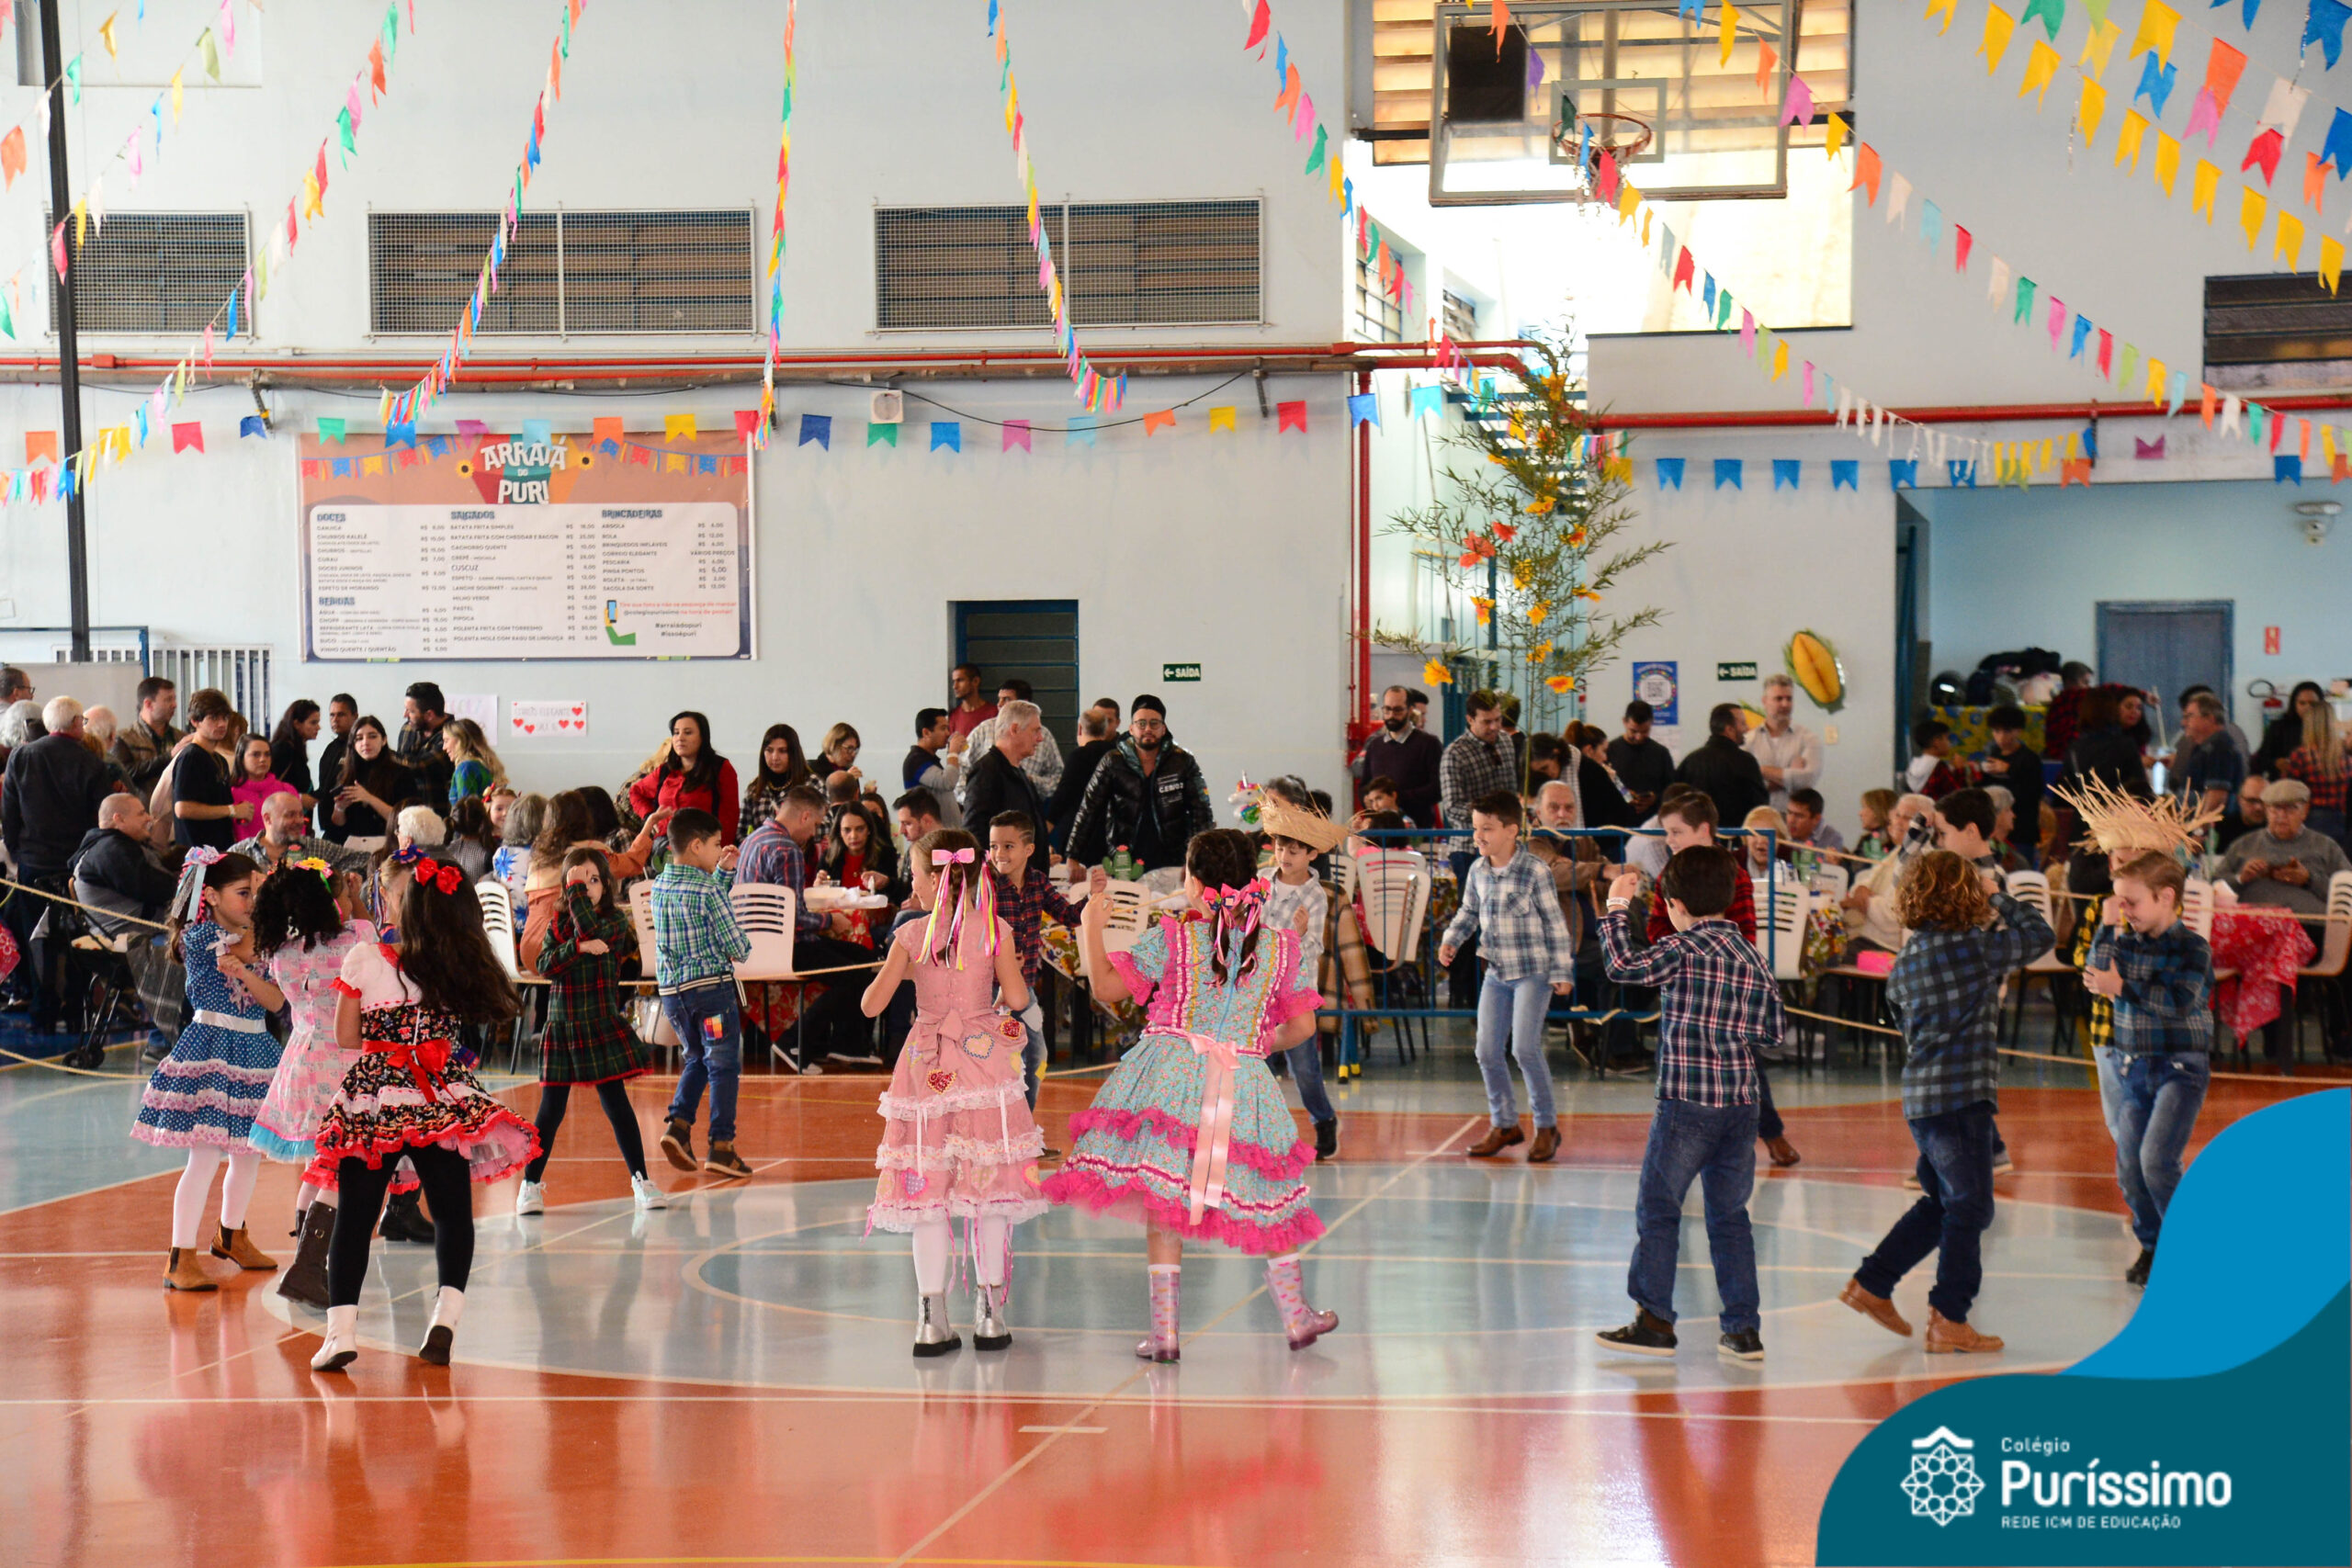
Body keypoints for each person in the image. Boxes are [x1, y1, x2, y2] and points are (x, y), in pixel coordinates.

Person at [1043, 829, 1337, 1360]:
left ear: (1195, 884)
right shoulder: (1278, 948)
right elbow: (1302, 1027)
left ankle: (1166, 1333)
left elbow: (1106, 987)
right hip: (1243, 1083)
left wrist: (1092, 927)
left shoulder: (1176, 938)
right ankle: (1296, 1316)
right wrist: (1250, 1045)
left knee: (1165, 1198)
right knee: (1269, 1194)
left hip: (1170, 1078)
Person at [303, 860, 539, 1371]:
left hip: (375, 1098)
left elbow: (347, 1037)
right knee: (453, 1213)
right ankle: (445, 1320)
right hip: (439, 1096)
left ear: (403, 905)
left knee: (356, 1217)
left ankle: (340, 1333)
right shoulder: (454, 961)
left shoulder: (365, 958)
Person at [1840, 850, 2051, 1354]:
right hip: (1962, 1098)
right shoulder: (1975, 949)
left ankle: (1872, 1283)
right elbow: (2040, 935)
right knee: (1970, 1207)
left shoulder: (1906, 961)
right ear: (1967, 896)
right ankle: (1949, 1317)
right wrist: (1998, 896)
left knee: (1941, 1202)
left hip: (1922, 1099)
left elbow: (1903, 1023)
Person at [859, 828, 1048, 1355]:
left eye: (916, 875)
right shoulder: (995, 929)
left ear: (934, 880)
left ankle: (931, 1319)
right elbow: (1016, 996)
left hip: (926, 1064)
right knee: (990, 1190)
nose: (911, 884)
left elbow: (871, 1006)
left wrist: (902, 972)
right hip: (984, 1065)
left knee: (927, 1190)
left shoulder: (910, 934)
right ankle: (990, 1314)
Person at [1594, 845, 1780, 1362]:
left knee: (1659, 1207)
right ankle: (1743, 1330)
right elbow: (1772, 1031)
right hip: (1741, 1103)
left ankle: (1655, 1321)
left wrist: (1616, 907)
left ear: (1674, 905)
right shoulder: (1751, 956)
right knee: (1730, 1217)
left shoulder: (1681, 949)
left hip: (1686, 1102)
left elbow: (1622, 966)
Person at [131, 850, 287, 1291]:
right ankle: (180, 1255)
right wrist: (276, 904)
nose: (252, 902)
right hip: (213, 1048)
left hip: (256, 1047)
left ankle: (232, 1234)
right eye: (243, 893)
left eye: (255, 893)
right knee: (203, 1158)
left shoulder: (256, 934)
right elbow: (249, 947)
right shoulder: (200, 935)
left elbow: (276, 1000)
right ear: (212, 896)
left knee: (248, 1153)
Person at [249, 859, 375, 1309]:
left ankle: (310, 1261)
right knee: (344, 1167)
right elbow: (376, 945)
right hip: (343, 1062)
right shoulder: (355, 939)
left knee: (320, 1165)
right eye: (342, 894)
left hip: (301, 1063)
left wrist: (346, 897)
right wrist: (358, 900)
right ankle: (308, 1267)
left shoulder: (281, 952)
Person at [2085, 850, 2213, 1287]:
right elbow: (2095, 974)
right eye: (2120, 901)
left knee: (2156, 1160)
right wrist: (2107, 927)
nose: (2126, 910)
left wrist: (2121, 986)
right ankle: (2154, 1244)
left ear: (2166, 897)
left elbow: (2179, 1002)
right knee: (2130, 1168)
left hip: (2181, 1068)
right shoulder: (2125, 944)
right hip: (2134, 1067)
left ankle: (2187, 1246)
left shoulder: (2193, 948)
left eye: (2132, 902)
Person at [517, 847, 665, 1217]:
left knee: (617, 1106)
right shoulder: (558, 926)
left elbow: (593, 930)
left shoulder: (614, 922)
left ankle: (641, 1180)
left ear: (607, 885)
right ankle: (529, 1185)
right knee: (550, 1111)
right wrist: (579, 947)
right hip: (564, 1028)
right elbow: (545, 965)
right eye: (578, 882)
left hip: (599, 1024)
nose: (587, 888)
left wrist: (580, 915)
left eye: (593, 880)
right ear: (566, 889)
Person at [1440, 791, 1576, 1162]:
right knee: (1486, 1050)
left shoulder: (1535, 871)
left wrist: (1562, 970)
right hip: (1496, 972)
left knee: (1525, 1049)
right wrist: (1452, 939)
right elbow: (1468, 911)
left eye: (1487, 829)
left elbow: (1555, 924)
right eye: (1475, 829)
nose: (1478, 836)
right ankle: (1505, 1124)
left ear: (1512, 831)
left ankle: (1546, 1126)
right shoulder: (1477, 871)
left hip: (1533, 971)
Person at [650, 809, 757, 1179]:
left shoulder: (660, 885)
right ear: (696, 845)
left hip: (674, 998)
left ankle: (679, 1126)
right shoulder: (708, 890)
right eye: (714, 845)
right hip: (711, 996)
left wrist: (723, 872)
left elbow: (699, 903)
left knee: (697, 1056)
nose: (718, 850)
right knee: (723, 1064)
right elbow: (737, 947)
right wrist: (743, 944)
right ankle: (721, 1145)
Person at [733, 784, 867, 1071]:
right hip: (781, 946)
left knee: (861, 958)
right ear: (805, 817)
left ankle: (846, 1047)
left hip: (750, 944)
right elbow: (792, 919)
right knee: (855, 972)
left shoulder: (751, 840)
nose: (814, 833)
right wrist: (830, 921)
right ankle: (795, 1041)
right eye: (816, 824)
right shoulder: (787, 849)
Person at [2, 695, 117, 1029]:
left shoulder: (21, 756)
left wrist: (17, 852)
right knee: (77, 938)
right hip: (75, 866)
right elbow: (100, 819)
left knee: (37, 939)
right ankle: (76, 1009)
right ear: (77, 723)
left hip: (33, 864)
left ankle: (43, 1010)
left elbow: (10, 811)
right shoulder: (92, 763)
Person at [1256, 793, 1349, 1161]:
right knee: (1258, 1061)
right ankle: (1259, 1130)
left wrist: (1300, 934)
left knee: (1305, 1067)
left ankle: (1323, 1119)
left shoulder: (1315, 896)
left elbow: (1315, 949)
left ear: (1312, 854)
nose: (1285, 855)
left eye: (1295, 850)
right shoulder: (1262, 881)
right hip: (1259, 988)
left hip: (1294, 992)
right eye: (1281, 848)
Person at [983, 810, 1082, 1112]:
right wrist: (997, 955)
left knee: (1036, 1055)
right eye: (994, 846)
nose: (999, 853)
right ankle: (990, 1125)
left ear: (1028, 850)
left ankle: (1022, 1121)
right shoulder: (985, 885)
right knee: (990, 1059)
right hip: (987, 992)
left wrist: (1094, 901)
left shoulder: (1038, 881)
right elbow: (970, 932)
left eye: (1008, 846)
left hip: (1024, 991)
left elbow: (1069, 915)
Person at [1063, 695, 1216, 876]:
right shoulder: (1112, 762)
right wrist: (1072, 856)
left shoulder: (1183, 762)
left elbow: (1202, 812)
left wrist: (1196, 860)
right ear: (1131, 728)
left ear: (1163, 728)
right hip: (1124, 860)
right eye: (1141, 723)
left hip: (1173, 861)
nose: (1148, 729)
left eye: (1154, 723)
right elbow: (1089, 809)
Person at [516, 788, 664, 969]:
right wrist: (650, 823)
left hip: (531, 953)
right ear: (585, 818)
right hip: (564, 953)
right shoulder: (591, 853)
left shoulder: (538, 858)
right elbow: (632, 862)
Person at [962, 699, 1053, 874]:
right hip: (1003, 883)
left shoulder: (1017, 771)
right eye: (1035, 731)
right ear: (1015, 729)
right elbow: (974, 833)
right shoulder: (987, 771)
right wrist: (996, 877)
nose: (1040, 738)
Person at [628, 710, 741, 845]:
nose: (680, 738)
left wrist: (719, 851)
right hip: (664, 845)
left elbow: (730, 817)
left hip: (703, 846)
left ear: (703, 737)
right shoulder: (665, 770)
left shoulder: (720, 768)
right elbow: (635, 792)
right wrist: (650, 817)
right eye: (676, 733)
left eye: (688, 733)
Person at [1351, 684, 1444, 828]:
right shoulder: (1375, 745)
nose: (1391, 715)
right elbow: (1364, 785)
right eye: (1387, 710)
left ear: (1410, 710)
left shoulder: (1429, 744)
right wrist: (1370, 800)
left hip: (1417, 829)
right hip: (1381, 829)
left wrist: (1396, 798)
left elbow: (1438, 788)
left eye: (1398, 710)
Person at [166, 689, 248, 852]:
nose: (222, 724)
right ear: (195, 721)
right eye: (214, 718)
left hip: (219, 850)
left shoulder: (220, 760)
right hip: (198, 854)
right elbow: (182, 808)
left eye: (225, 718)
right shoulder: (191, 757)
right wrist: (232, 810)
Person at [960, 678, 1066, 801]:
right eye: (999, 699)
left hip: (1029, 804)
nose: (999, 704)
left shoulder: (1043, 735)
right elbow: (961, 766)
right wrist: (968, 799)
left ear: (1023, 704)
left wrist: (1030, 781)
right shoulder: (984, 730)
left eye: (1006, 699)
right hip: (989, 804)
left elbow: (1058, 777)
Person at [232, 788, 371, 878]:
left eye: (300, 814)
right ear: (268, 819)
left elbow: (366, 860)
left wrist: (340, 881)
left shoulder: (316, 848)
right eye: (290, 815)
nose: (299, 821)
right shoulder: (241, 852)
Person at [324, 716, 416, 850]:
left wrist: (369, 798)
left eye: (372, 736)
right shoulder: (345, 776)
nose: (365, 742)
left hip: (389, 846)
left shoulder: (401, 774)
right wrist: (340, 808)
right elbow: (337, 830)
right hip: (352, 846)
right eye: (359, 738)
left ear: (383, 740)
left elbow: (406, 820)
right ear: (353, 744)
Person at [1438, 691, 1520, 832]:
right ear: (1470, 720)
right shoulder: (1455, 753)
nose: (1494, 727)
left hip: (1505, 836)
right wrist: (1490, 813)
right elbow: (1452, 808)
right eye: (1487, 722)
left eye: (1498, 719)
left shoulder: (1506, 741)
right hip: (1471, 839)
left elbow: (1512, 789)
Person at [1676, 705, 1770, 826]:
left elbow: (1675, 802)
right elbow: (1760, 809)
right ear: (1729, 729)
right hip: (1736, 835)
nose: (1747, 729)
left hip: (1697, 833)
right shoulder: (1745, 762)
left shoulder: (1690, 761)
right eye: (1743, 724)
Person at [1974, 704, 2045, 865]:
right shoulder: (1992, 756)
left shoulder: (2029, 759)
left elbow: (2034, 793)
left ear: (2018, 731)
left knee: (2019, 870)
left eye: (2006, 731)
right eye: (1996, 731)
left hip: (2021, 831)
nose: (2001, 737)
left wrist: (2009, 770)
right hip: (1993, 831)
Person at [1744, 674, 1822, 814]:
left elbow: (1807, 780)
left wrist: (1761, 770)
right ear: (1765, 701)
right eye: (1778, 699)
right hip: (1759, 819)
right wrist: (1791, 776)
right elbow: (1745, 786)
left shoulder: (1808, 739)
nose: (1785, 704)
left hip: (1795, 820)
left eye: (1789, 699)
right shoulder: (1748, 741)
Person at [1048, 708, 1117, 852]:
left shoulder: (1079, 756)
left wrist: (1045, 828)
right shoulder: (1117, 755)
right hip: (1111, 833)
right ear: (1105, 730)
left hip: (1078, 835)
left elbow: (1063, 796)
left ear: (1080, 728)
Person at [2274, 696, 2349, 826]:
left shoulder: (2301, 755)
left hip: (2311, 817)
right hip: (2342, 817)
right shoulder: (2345, 754)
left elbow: (2287, 791)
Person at [2171, 692, 2245, 819]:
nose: (2184, 723)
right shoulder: (2205, 747)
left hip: (2209, 828)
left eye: (2189, 716)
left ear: (2210, 718)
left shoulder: (2219, 747)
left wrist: (2200, 827)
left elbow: (2217, 796)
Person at [1607, 700, 1677, 819]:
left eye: (1644, 732)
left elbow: (1672, 789)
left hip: (1653, 821)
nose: (1638, 737)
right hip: (1618, 821)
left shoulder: (1661, 753)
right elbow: (1602, 788)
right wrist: (1624, 794)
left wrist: (1655, 798)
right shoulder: (1609, 751)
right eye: (1633, 731)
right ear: (1624, 722)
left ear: (1651, 723)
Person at [112, 675, 183, 793]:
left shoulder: (181, 737)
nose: (174, 704)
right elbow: (125, 774)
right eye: (168, 700)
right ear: (148, 704)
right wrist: (169, 756)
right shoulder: (123, 739)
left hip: (175, 803)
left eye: (174, 699)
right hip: (141, 803)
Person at [741, 723, 814, 831]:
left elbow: (824, 827)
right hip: (761, 842)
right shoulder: (755, 788)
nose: (775, 757)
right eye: (769, 750)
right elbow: (742, 831)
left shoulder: (811, 784)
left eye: (782, 751)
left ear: (794, 753)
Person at [901, 707, 965, 829]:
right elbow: (947, 782)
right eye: (943, 728)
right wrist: (953, 753)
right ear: (926, 733)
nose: (948, 734)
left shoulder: (929, 759)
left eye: (948, 728)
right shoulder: (916, 760)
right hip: (931, 835)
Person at [2251, 681, 2328, 777]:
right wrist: (2276, 763)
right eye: (2302, 703)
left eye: (2312, 704)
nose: (2307, 707)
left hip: (2319, 781)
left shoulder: (2327, 729)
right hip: (2284, 782)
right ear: (2294, 704)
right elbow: (2261, 759)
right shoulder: (2279, 727)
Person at [396, 682, 456, 807]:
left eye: (411, 711)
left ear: (429, 715)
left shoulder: (453, 735)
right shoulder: (408, 728)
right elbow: (400, 769)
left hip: (436, 810)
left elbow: (420, 765)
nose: (405, 715)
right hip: (406, 809)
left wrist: (383, 750)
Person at [1568, 722, 1636, 830]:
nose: (1605, 758)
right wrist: (1612, 783)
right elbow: (1626, 807)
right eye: (1604, 751)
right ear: (1589, 751)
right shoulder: (1598, 778)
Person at [230, 734, 300, 830]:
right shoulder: (230, 793)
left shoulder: (286, 790)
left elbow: (299, 828)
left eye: (267, 754)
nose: (263, 759)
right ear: (241, 758)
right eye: (256, 755)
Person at [312, 694, 357, 837]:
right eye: (332, 715)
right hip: (329, 827)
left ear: (355, 716)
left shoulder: (360, 748)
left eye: (341, 714)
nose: (335, 719)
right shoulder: (331, 749)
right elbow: (325, 787)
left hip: (352, 829)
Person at [269, 700, 323, 813]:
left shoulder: (295, 749)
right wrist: (299, 797)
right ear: (297, 724)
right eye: (313, 723)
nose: (318, 727)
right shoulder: (283, 749)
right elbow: (268, 786)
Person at [440, 716, 505, 807]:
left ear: (461, 740)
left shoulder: (466, 768)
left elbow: (466, 810)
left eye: (446, 741)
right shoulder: (485, 765)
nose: (444, 747)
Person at [1903, 719, 1971, 801]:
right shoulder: (1938, 767)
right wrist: (1960, 770)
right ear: (1936, 742)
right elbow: (1958, 796)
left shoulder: (1914, 765)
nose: (1949, 743)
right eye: (1947, 738)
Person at [2214, 773, 2270, 854]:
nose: (2258, 807)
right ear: (2239, 800)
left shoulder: (2276, 830)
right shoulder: (2221, 827)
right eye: (2251, 801)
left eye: (2264, 801)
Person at [1783, 788, 1846, 856]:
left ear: (1816, 819)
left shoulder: (1832, 839)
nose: (1791, 820)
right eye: (1789, 813)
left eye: (1799, 816)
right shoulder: (1781, 828)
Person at [947, 661, 996, 742]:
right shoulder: (954, 715)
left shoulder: (993, 713)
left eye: (960, 680)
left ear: (975, 681)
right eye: (954, 681)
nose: (955, 686)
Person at [1854, 788, 1899, 862]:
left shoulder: (1877, 841)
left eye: (1864, 807)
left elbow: (1859, 867)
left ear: (1876, 810)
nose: (1860, 813)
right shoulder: (1868, 839)